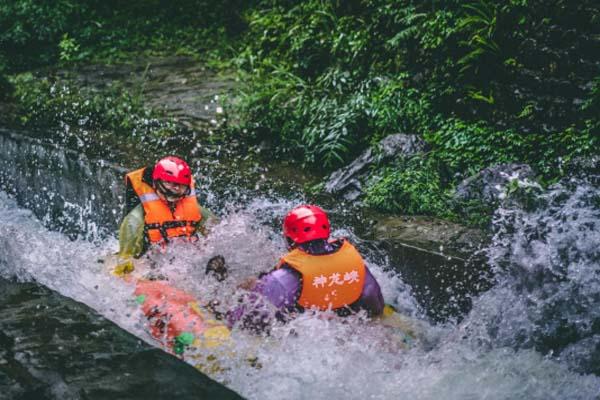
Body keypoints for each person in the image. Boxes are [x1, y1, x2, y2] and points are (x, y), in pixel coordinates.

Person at [227, 204, 385, 332]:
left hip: (307, 334)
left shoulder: (283, 279)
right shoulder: (356, 264)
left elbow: (250, 320)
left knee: (251, 286)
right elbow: (375, 302)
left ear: (290, 240)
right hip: (349, 326)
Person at [115, 156, 216, 274]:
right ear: (156, 182)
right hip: (147, 257)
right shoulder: (144, 207)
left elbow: (214, 225)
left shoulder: (190, 206)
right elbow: (131, 224)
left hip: (183, 259)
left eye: (181, 185)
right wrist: (125, 257)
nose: (176, 190)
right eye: (170, 184)